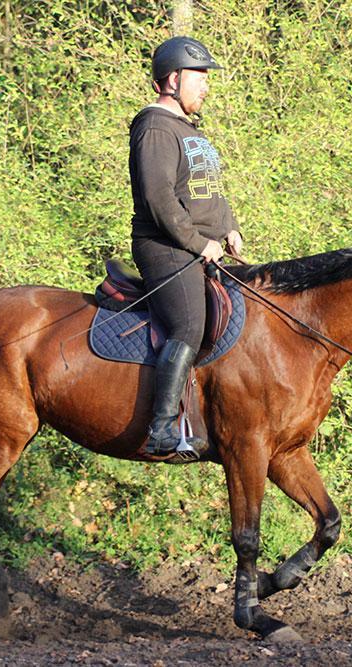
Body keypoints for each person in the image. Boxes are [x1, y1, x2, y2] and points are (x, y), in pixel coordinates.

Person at [129, 36, 243, 458]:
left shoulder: (187, 128)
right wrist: (199, 244)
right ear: (173, 79)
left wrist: (229, 229)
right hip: (166, 248)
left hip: (202, 247)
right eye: (200, 77)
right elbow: (159, 200)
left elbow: (207, 191)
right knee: (189, 326)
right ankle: (159, 430)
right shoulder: (154, 127)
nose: (206, 86)